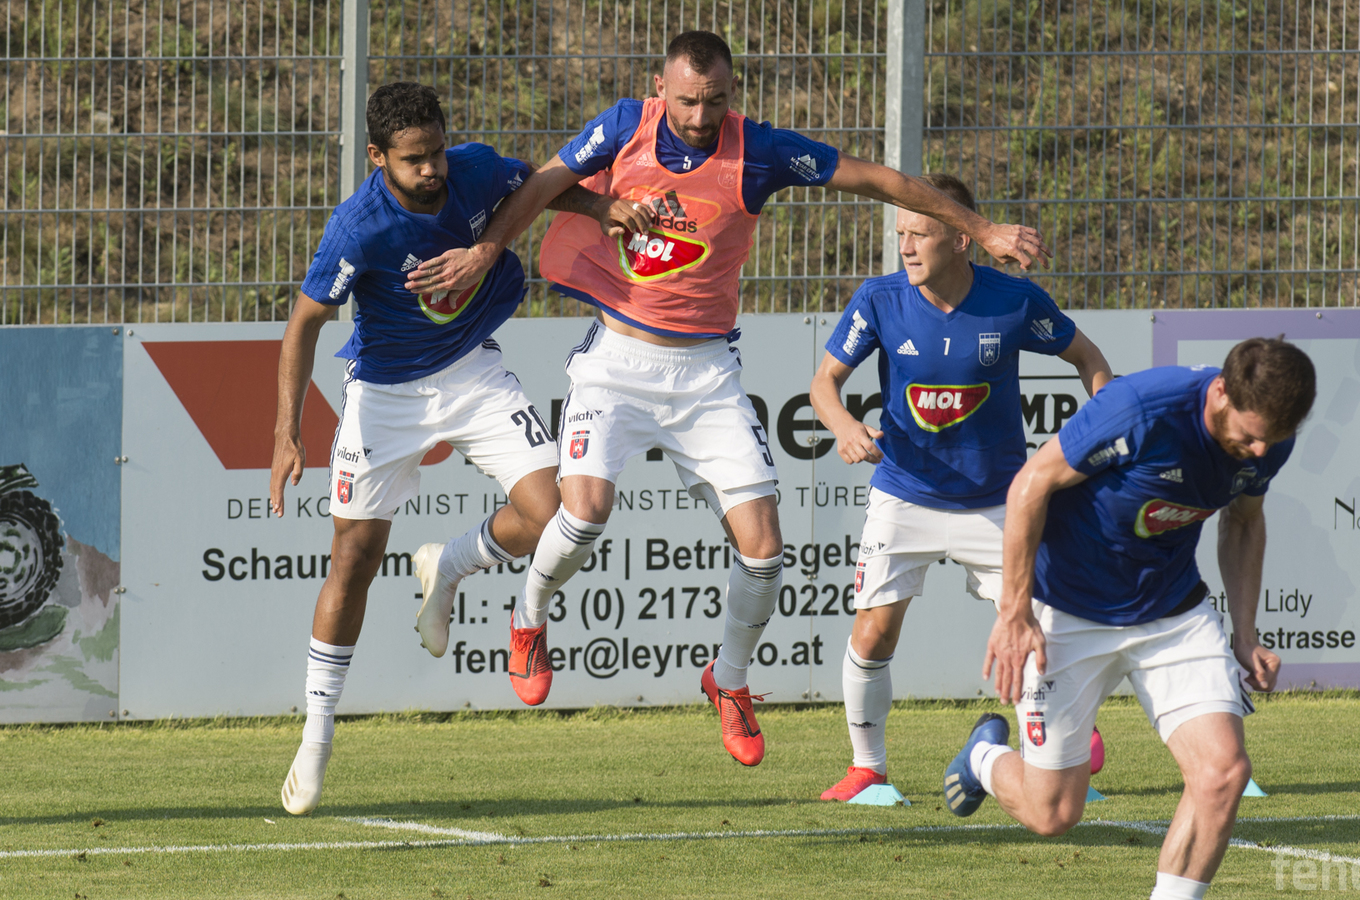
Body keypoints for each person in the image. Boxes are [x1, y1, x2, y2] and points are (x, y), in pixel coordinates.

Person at [402, 31, 1049, 766]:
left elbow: (877, 180)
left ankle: (729, 680)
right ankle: (528, 620)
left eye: (715, 101)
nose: (700, 116)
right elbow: (543, 184)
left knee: (765, 551)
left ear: (732, 93)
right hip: (616, 364)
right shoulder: (626, 125)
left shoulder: (759, 152)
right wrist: (507, 242)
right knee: (581, 515)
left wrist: (981, 228)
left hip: (706, 375)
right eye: (686, 101)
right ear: (660, 89)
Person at [270, 82, 565, 815]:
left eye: (436, 151)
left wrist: (605, 210)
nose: (432, 169)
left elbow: (539, 187)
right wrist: (285, 433)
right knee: (354, 560)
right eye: (414, 159)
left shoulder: (473, 169)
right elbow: (303, 324)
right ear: (378, 156)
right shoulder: (358, 227)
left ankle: (449, 564)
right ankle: (316, 735)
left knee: (555, 514)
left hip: (471, 371)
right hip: (386, 394)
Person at [943, 337, 1315, 900]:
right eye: (1250, 435)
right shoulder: (1142, 410)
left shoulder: (1268, 443)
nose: (1261, 451)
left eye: (1274, 438)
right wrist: (1015, 611)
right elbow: (1030, 485)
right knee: (1053, 813)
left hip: (1172, 612)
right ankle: (983, 757)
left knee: (1223, 773)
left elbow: (1243, 521)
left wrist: (1246, 634)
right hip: (1067, 607)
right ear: (1221, 392)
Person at [807, 174, 1112, 801]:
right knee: (872, 633)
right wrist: (843, 426)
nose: (906, 247)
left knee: (1036, 632)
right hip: (904, 493)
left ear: (961, 239)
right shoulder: (879, 300)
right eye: (901, 233)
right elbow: (823, 384)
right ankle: (868, 771)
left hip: (998, 503)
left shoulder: (1014, 301)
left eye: (920, 233)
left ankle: (1058, 756)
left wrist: (1099, 436)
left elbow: (1090, 361)